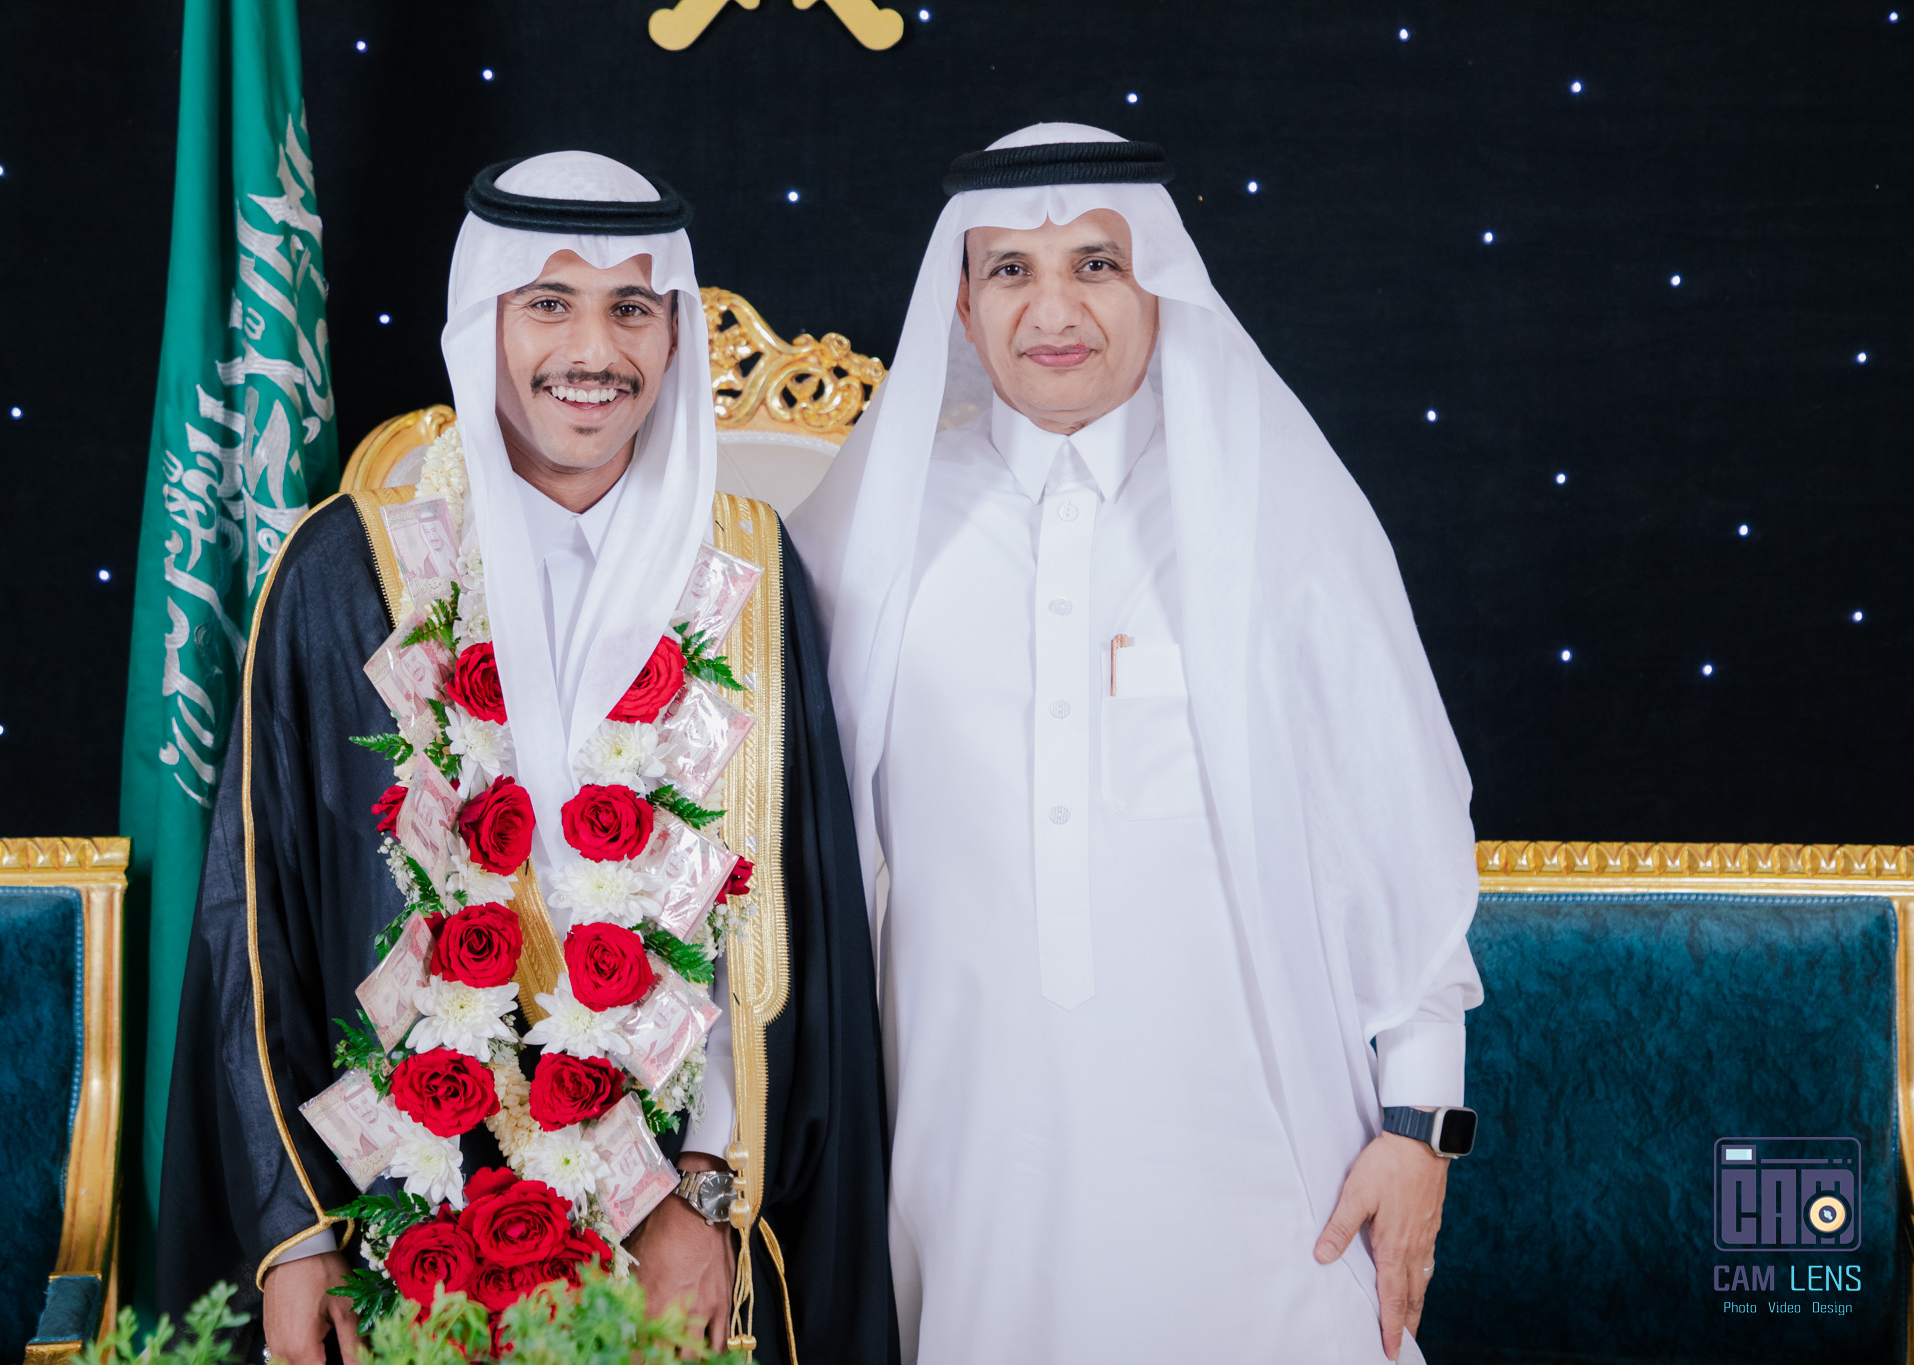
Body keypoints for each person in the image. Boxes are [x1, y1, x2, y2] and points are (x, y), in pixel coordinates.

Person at [159, 151, 895, 1365]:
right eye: (548, 303)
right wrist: (296, 1234)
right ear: (482, 321)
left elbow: (788, 943)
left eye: (630, 307)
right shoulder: (348, 573)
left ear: (673, 332)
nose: (591, 349)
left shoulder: (744, 575)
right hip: (405, 1224)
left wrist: (702, 1196)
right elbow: (256, 925)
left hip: (677, 1237)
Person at [789, 125, 1483, 1364]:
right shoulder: (872, 526)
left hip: (1263, 1153)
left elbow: (1400, 823)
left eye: (1095, 265)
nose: (1053, 310)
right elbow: (768, 836)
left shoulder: (1271, 506)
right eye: (1010, 270)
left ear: (1156, 283)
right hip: (971, 1161)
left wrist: (1419, 1122)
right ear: (961, 303)